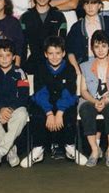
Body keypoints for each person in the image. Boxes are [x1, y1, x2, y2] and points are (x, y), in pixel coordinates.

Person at [21, 36, 87, 167]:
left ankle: (69, 146)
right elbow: (40, 93)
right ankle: (38, 148)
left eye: (58, 53)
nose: (54, 57)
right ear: (45, 54)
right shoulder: (40, 68)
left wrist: (60, 112)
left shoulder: (69, 68)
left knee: (70, 112)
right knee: (36, 112)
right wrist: (49, 113)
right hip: (45, 104)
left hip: (63, 104)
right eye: (50, 53)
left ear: (63, 53)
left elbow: (69, 93)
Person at [79, 31, 109, 167]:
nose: (100, 50)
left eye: (104, 46)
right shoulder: (85, 66)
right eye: (97, 46)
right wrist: (95, 101)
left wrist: (106, 100)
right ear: (92, 48)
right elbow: (83, 90)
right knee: (86, 110)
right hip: (91, 99)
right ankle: (95, 150)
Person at [0, 39, 29, 169]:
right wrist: (0, 109)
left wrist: (10, 109)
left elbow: (24, 96)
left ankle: (1, 151)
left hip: (14, 108)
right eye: (1, 56)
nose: (4, 59)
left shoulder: (20, 72)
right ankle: (10, 150)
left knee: (22, 115)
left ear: (13, 57)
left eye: (8, 55)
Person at [20, 0, 67, 74]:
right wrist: (21, 68)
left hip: (54, 64)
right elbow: (22, 46)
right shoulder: (25, 17)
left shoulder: (58, 16)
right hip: (33, 65)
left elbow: (62, 43)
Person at [67, 0, 109, 75]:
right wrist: (77, 70)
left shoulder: (106, 21)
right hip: (84, 66)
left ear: (100, 5)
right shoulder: (77, 26)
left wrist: (107, 64)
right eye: (87, 4)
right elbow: (70, 50)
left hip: (105, 63)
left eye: (93, 3)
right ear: (83, 6)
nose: (90, 7)